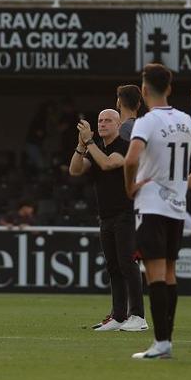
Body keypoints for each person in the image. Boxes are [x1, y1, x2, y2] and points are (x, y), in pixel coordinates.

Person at [123, 64, 191, 360]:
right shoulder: (185, 120)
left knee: (155, 275)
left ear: (146, 90)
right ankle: (167, 341)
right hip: (176, 208)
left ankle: (161, 343)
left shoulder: (147, 122)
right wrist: (185, 184)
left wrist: (131, 187)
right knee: (171, 274)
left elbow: (130, 159)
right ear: (170, 88)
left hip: (151, 206)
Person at [69, 109, 147, 333]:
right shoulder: (95, 149)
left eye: (108, 121)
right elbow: (75, 170)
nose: (102, 124)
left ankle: (138, 316)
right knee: (113, 267)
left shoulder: (125, 145)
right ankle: (119, 316)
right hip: (106, 216)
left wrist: (90, 141)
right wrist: (81, 146)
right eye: (100, 121)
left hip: (126, 214)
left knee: (127, 264)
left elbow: (107, 164)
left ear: (118, 124)